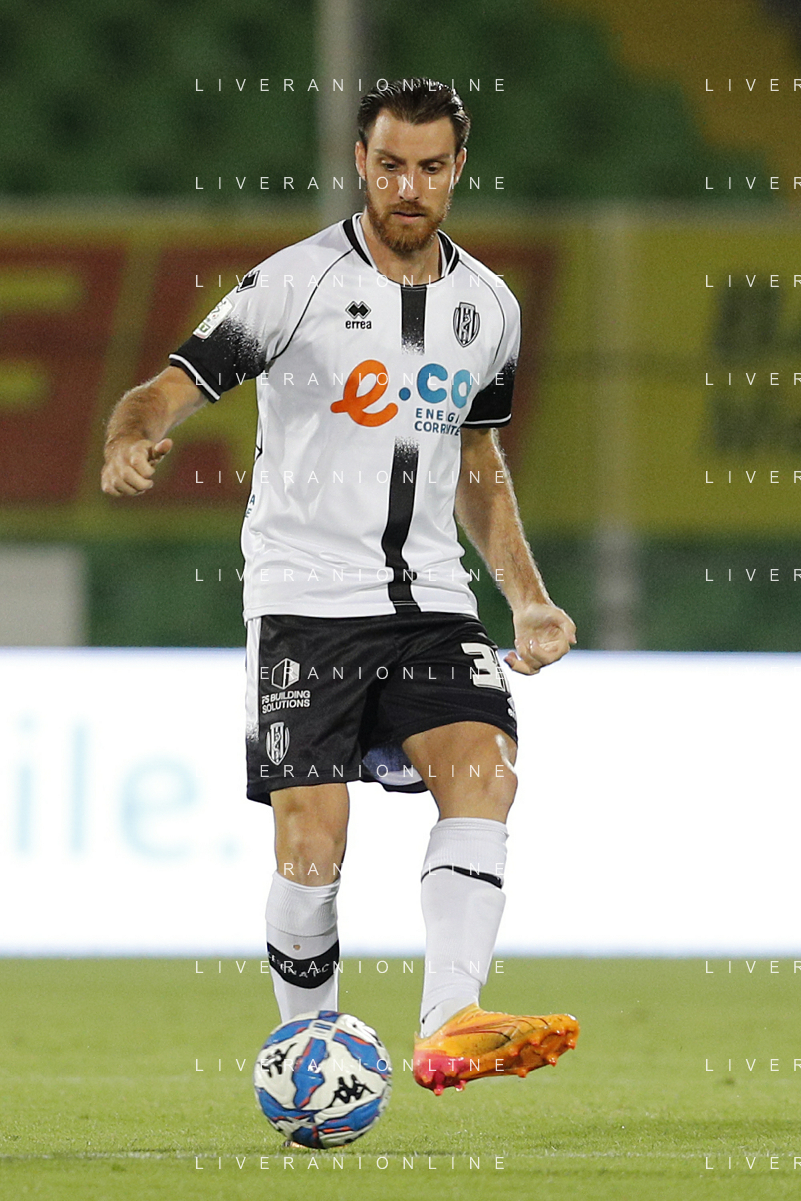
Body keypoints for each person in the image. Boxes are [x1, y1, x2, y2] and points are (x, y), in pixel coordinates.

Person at [101, 78, 579, 1096]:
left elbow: (478, 463)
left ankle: (450, 1021)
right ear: (362, 162)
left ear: (457, 169)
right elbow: (166, 387)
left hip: (432, 603)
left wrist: (527, 597)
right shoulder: (294, 283)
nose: (408, 186)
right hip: (305, 602)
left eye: (430, 167)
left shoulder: (489, 308)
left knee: (485, 770)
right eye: (390, 165)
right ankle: (309, 1051)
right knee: (312, 841)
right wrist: (131, 436)